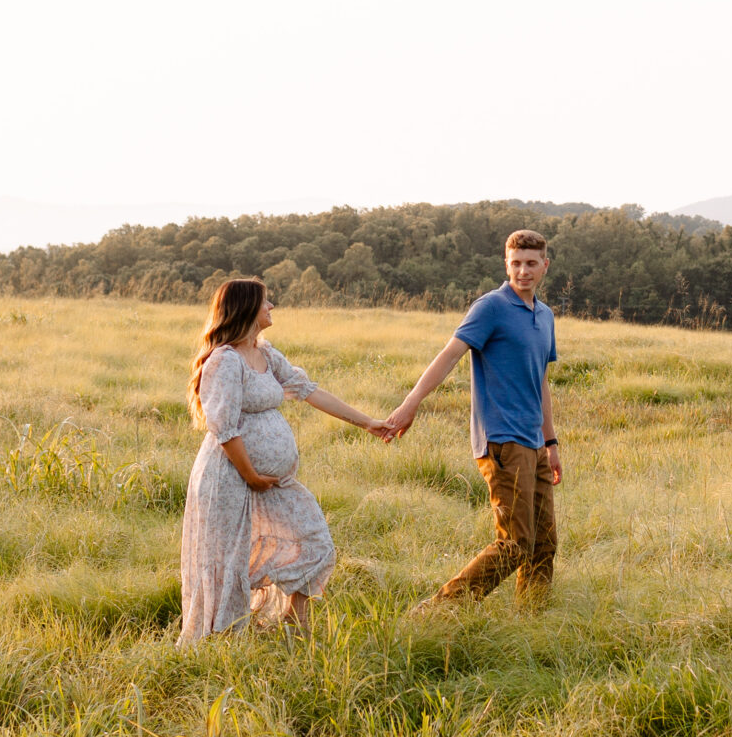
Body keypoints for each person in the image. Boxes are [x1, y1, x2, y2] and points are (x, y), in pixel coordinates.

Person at [178, 276, 392, 643]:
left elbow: (310, 392)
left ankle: (295, 620)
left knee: (315, 542)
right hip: (229, 477)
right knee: (228, 560)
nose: (272, 307)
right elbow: (224, 429)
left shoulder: (264, 353)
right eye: (266, 302)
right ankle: (224, 642)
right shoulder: (224, 361)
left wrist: (368, 422)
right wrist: (250, 475)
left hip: (270, 480)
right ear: (246, 308)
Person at [385, 229, 563, 609]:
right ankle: (437, 612)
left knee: (543, 544)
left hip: (534, 444)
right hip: (501, 440)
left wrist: (552, 443)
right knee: (515, 544)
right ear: (506, 264)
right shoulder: (491, 307)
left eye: (531, 263)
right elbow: (450, 354)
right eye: (515, 263)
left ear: (545, 265)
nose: (523, 271)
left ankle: (532, 624)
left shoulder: (545, 316)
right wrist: (411, 402)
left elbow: (541, 382)